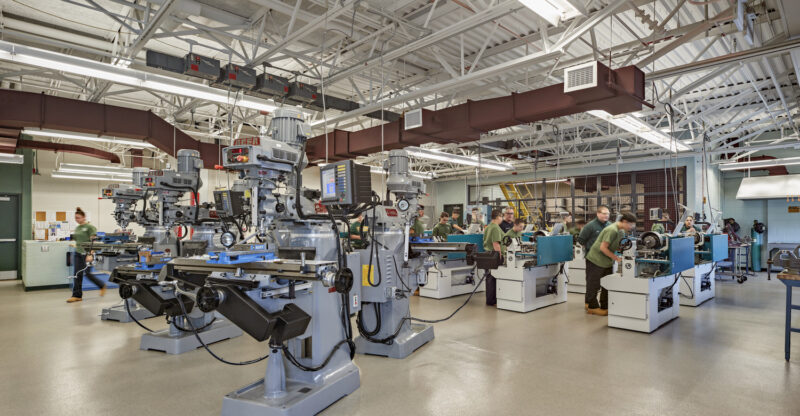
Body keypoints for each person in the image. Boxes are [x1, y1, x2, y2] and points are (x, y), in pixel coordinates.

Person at [584, 211, 637, 316]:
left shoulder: (621, 231)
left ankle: (605, 306)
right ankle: (592, 307)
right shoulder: (612, 230)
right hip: (596, 260)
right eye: (631, 224)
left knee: (607, 284)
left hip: (607, 261)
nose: (631, 227)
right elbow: (603, 248)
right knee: (594, 285)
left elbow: (618, 246)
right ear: (624, 221)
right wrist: (617, 259)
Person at [66, 207, 107, 303]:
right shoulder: (78, 228)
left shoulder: (90, 227)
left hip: (86, 253)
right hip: (78, 253)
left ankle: (102, 285)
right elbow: (79, 240)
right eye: (75, 218)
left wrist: (90, 254)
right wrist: (75, 244)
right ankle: (77, 296)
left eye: (78, 217)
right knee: (77, 274)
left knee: (88, 274)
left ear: (84, 217)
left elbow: (93, 241)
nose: (77, 219)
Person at [482, 209, 505, 306]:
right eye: (502, 217)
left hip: (488, 254)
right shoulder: (495, 227)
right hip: (494, 255)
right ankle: (492, 300)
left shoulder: (488, 227)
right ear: (498, 216)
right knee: (493, 279)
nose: (502, 219)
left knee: (489, 278)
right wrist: (500, 257)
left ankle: (490, 300)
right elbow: (496, 244)